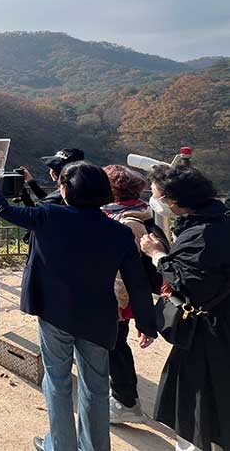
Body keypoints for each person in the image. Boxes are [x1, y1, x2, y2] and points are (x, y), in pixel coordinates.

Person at [0, 159, 157, 451]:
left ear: (65, 190)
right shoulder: (119, 233)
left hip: (55, 314)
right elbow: (137, 282)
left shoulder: (50, 216)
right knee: (96, 387)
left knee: (58, 382)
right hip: (99, 318)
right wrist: (146, 323)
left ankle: (61, 445)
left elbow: (5, 210)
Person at [140, 165, 230, 451]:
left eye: (156, 196)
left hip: (209, 331)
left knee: (195, 395)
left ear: (174, 201)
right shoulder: (219, 218)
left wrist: (157, 255)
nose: (154, 201)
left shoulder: (203, 236)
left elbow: (189, 285)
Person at [102, 165, 169, 424]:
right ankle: (123, 398)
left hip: (119, 297)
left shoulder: (128, 221)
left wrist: (117, 305)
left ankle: (125, 402)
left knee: (115, 346)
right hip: (125, 294)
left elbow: (122, 270)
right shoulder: (136, 211)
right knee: (115, 344)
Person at [18, 147, 87, 207]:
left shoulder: (64, 196)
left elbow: (35, 213)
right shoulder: (81, 192)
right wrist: (30, 181)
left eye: (52, 168)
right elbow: (48, 199)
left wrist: (21, 189)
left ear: (54, 173)